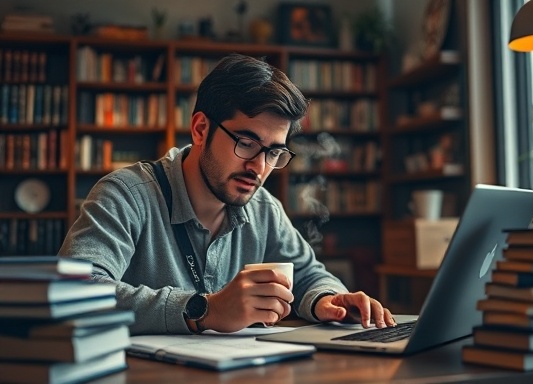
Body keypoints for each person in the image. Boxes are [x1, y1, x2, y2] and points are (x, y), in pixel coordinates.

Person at [58, 53, 395, 335]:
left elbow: (308, 274)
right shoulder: (126, 195)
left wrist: (328, 300)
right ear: (201, 128)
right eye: (246, 144)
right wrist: (203, 310)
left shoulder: (264, 208)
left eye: (274, 152)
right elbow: (74, 292)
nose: (259, 167)